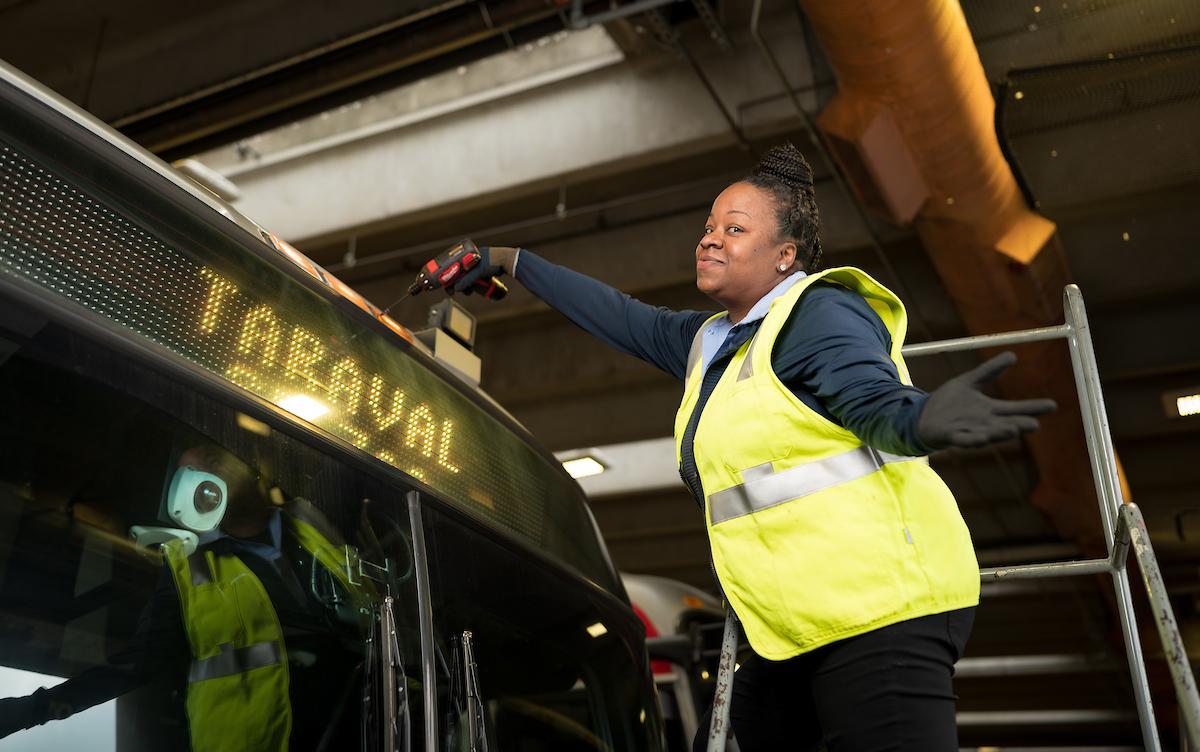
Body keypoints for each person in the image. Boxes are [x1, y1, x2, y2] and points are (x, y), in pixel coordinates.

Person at [450, 142, 1055, 751]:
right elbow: (619, 315)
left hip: (883, 608)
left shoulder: (818, 312)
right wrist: (511, 260)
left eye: (734, 229)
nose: (710, 239)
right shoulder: (713, 341)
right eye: (708, 227)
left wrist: (918, 419)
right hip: (793, 624)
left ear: (784, 256)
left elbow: (869, 398)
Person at [0, 443, 373, 751]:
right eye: (189, 474)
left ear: (245, 458)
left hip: (375, 722)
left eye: (211, 458)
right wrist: (35, 709)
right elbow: (140, 661)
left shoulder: (311, 517)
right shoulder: (186, 567)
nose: (206, 475)